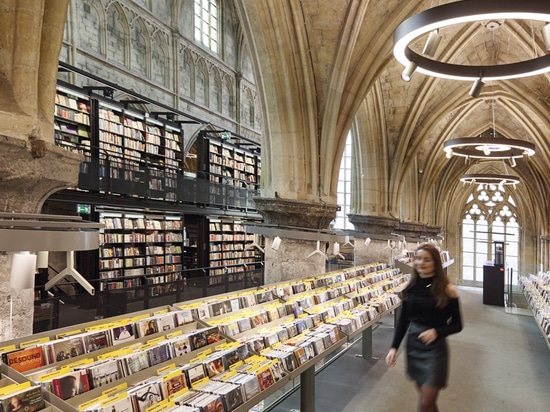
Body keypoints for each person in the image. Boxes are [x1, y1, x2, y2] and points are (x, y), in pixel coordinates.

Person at [386, 243, 463, 412]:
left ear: (435, 262)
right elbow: (403, 320)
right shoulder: (411, 288)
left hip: (435, 350)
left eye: (426, 260)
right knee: (428, 403)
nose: (421, 263)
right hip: (414, 346)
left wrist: (437, 331)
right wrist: (394, 347)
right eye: (418, 258)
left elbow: (458, 325)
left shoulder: (447, 290)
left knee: (426, 403)